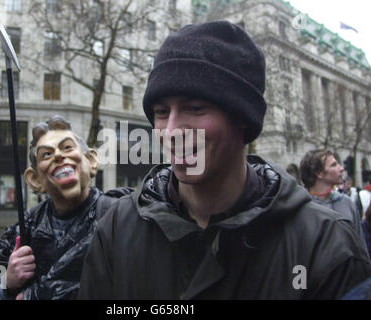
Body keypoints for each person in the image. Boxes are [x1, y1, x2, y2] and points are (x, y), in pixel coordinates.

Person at [78, 21, 371, 300]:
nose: (172, 130)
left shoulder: (326, 245)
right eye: (162, 111)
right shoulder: (117, 229)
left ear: (242, 118)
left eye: (195, 107)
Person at [0, 115, 131, 300]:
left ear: (91, 161)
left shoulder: (120, 217)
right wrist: (7, 281)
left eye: (67, 148)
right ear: (35, 179)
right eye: (46, 154)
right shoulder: (28, 227)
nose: (58, 155)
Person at [299, 150, 365, 242]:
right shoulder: (300, 209)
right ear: (319, 173)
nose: (341, 168)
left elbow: (360, 246)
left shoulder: (347, 203)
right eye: (334, 165)